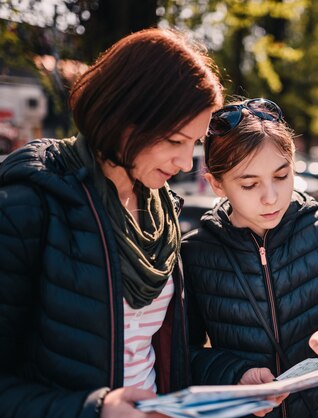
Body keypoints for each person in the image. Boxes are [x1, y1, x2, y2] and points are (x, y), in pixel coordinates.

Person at [0, 28, 223, 417]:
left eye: (195, 142)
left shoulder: (162, 213)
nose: (187, 162)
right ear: (125, 117)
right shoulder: (27, 206)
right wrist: (94, 408)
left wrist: (236, 380)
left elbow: (165, 354)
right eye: (174, 141)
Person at [181, 98, 318, 418]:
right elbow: (180, 354)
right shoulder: (195, 252)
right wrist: (232, 374)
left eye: (282, 176)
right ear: (216, 183)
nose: (270, 197)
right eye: (249, 183)